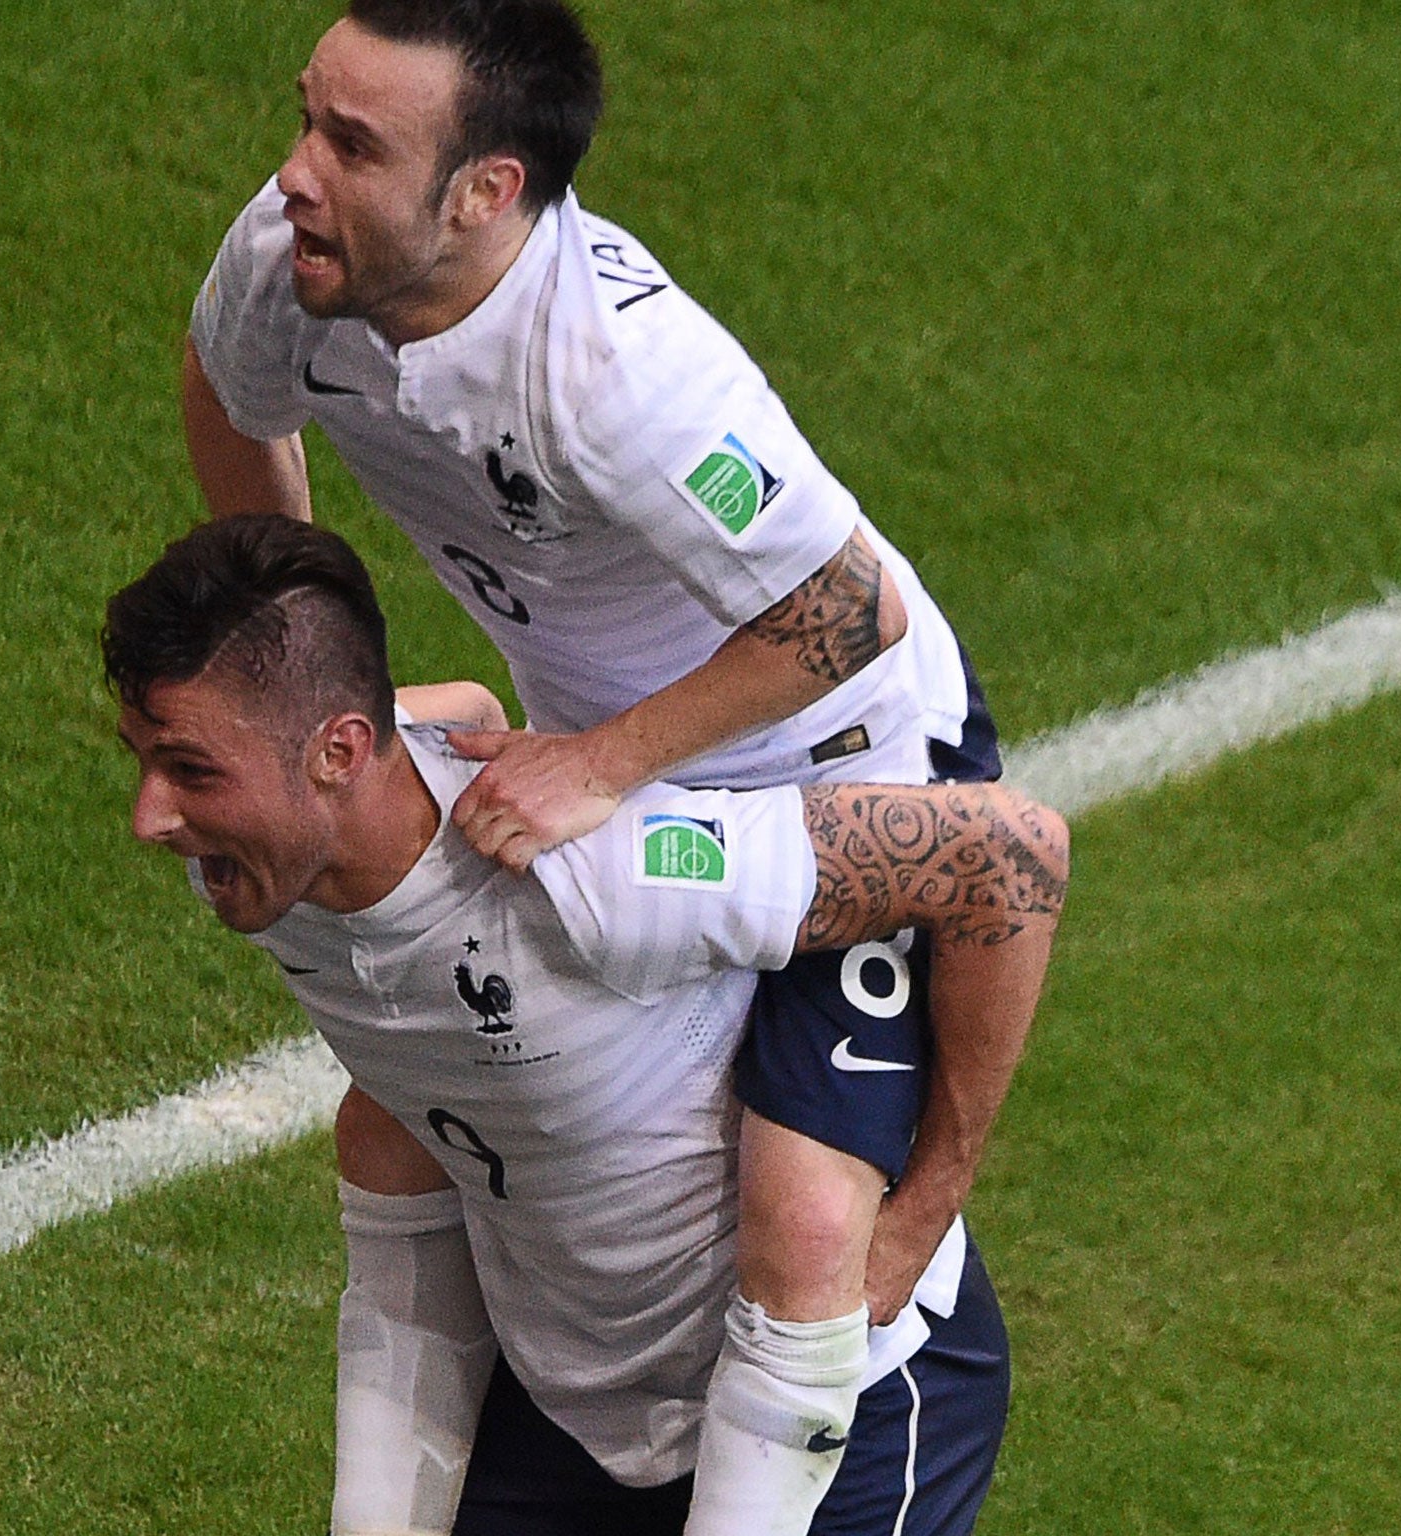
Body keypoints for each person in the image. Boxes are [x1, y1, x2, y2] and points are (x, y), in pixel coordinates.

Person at [180, 0, 1007, 1350]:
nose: (293, 175)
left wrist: (606, 760)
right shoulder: (294, 256)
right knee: (498, 1136)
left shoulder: (623, 379)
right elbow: (226, 388)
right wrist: (302, 655)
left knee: (799, 1223)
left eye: (352, 145)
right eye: (305, 117)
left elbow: (853, 610)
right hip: (604, 755)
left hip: (834, 757)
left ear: (485, 192)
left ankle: (920, 1278)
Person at [102, 517, 1067, 1534]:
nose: (149, 817)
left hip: (836, 1405)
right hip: (577, 1402)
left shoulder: (601, 879)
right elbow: (451, 711)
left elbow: (1004, 854)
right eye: (142, 762)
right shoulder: (278, 863)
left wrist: (927, 1203)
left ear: (339, 753)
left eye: (191, 772)